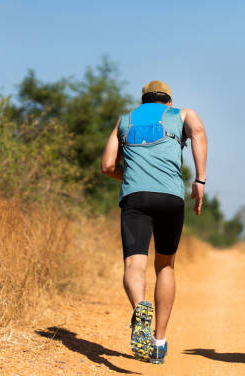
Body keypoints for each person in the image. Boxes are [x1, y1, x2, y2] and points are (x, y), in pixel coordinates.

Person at [101, 80, 207, 364]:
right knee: (165, 265)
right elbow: (198, 132)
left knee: (134, 263)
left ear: (143, 100)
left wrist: (133, 178)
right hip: (170, 197)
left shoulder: (125, 119)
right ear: (168, 102)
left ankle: (140, 308)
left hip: (136, 198)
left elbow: (108, 165)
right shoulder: (183, 115)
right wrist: (200, 180)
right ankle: (159, 343)